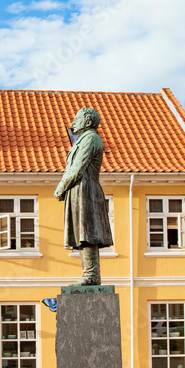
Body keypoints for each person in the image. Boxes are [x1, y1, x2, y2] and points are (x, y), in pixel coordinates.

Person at [54, 107, 114, 286]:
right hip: (79, 191)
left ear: (87, 122)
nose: (73, 123)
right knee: (82, 233)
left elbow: (77, 168)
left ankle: (91, 276)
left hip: (85, 191)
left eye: (77, 119)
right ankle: (89, 275)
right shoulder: (83, 140)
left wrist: (60, 188)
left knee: (86, 233)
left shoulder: (91, 139)